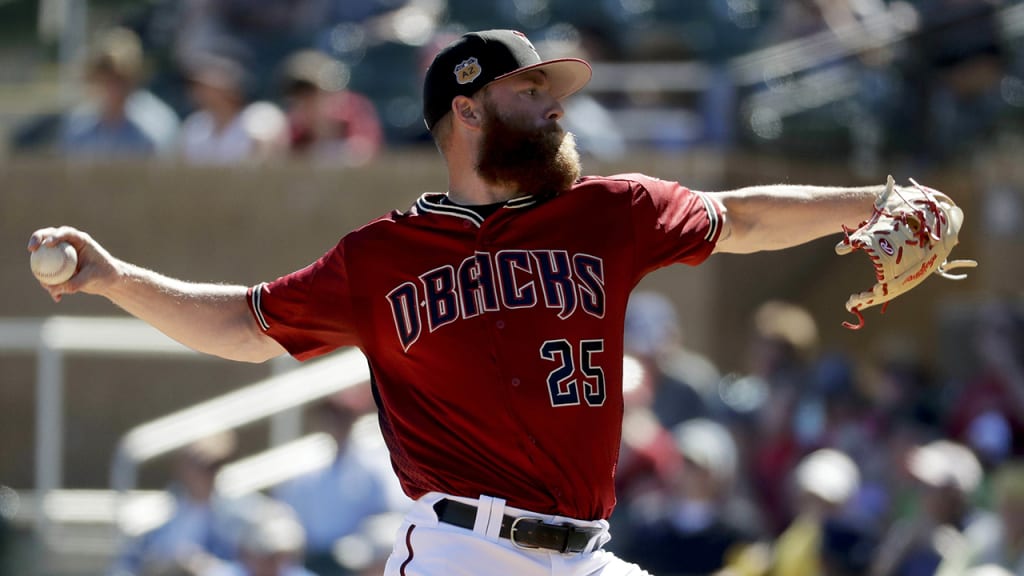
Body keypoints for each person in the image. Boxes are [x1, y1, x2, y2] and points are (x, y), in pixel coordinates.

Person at [31, 29, 917, 576]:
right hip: (461, 552)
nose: (556, 109)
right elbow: (241, 326)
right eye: (531, 92)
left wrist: (875, 202)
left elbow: (744, 216)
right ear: (467, 111)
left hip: (586, 554)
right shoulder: (382, 256)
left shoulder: (611, 212)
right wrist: (112, 278)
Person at [60, 27, 180, 159]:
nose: (110, 86)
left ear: (134, 78)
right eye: (103, 75)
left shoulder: (156, 126)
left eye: (119, 78)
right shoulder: (78, 125)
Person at [278, 49, 384, 166]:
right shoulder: (294, 125)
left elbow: (365, 152)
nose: (304, 98)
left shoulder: (354, 111)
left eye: (309, 90)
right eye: (296, 93)